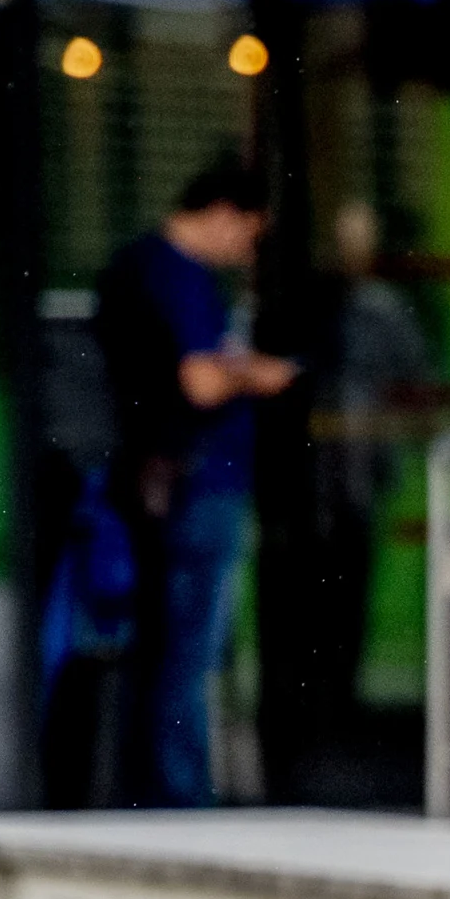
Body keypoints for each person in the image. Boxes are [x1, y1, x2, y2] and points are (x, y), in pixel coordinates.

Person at [94, 155, 300, 807]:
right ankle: (183, 801)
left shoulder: (140, 267)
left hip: (165, 483)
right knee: (187, 655)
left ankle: (166, 791)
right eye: (247, 232)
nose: (246, 251)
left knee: (171, 651)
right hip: (197, 483)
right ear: (220, 213)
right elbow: (202, 380)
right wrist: (259, 375)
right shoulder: (176, 276)